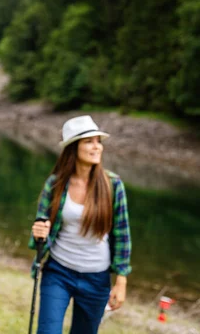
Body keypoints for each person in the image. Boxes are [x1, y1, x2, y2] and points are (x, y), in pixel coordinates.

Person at [30, 115, 131, 334]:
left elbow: (122, 235)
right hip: (58, 272)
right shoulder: (55, 184)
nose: (97, 147)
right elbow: (40, 228)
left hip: (97, 278)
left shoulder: (113, 185)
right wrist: (39, 232)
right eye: (89, 141)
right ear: (73, 148)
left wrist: (121, 281)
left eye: (98, 141)